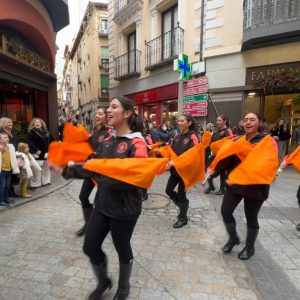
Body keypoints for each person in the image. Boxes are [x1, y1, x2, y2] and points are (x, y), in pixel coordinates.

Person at [62, 96, 147, 300]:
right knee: (90, 246)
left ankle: (124, 287)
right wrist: (69, 170)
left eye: (113, 107)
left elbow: (136, 178)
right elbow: (93, 169)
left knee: (122, 248)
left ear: (126, 113)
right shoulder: (107, 141)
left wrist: (102, 174)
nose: (108, 110)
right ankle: (104, 281)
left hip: (125, 209)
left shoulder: (137, 143)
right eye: (108, 106)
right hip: (102, 205)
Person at [213, 113, 277, 260]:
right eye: (245, 120)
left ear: (259, 123)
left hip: (256, 186)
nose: (248, 122)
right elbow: (227, 159)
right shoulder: (237, 139)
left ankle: (250, 247)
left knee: (251, 217)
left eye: (252, 120)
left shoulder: (268, 141)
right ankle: (233, 238)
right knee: (226, 211)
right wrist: (214, 171)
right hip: (236, 182)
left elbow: (271, 162)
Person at [76, 107, 112, 237]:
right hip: (91, 172)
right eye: (96, 113)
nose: (96, 115)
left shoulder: (110, 132)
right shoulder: (94, 132)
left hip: (103, 173)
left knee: (102, 201)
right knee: (83, 196)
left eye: (100, 114)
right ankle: (89, 224)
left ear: (106, 117)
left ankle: (104, 226)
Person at [165, 114, 199, 228]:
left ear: (189, 123)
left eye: (182, 121)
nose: (179, 123)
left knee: (181, 194)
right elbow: (171, 150)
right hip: (175, 171)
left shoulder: (193, 137)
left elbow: (194, 156)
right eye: (178, 121)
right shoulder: (177, 136)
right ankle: (182, 207)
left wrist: (177, 162)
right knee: (168, 190)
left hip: (186, 173)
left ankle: (183, 217)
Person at [205, 115, 233, 195]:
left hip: (223, 156)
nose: (217, 122)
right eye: (217, 120)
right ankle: (211, 186)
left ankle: (222, 189)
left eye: (219, 121)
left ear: (224, 121)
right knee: (208, 169)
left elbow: (229, 143)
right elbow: (211, 143)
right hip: (214, 155)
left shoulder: (228, 131)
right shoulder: (216, 132)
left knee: (221, 172)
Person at [27, 118, 53, 188]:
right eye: (35, 122)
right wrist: (36, 150)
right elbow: (30, 143)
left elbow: (52, 141)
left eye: (39, 122)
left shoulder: (46, 132)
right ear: (33, 124)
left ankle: (46, 181)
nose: (37, 123)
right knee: (37, 169)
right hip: (37, 153)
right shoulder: (31, 132)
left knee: (46, 168)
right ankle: (35, 183)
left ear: (42, 124)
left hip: (46, 152)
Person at [0, 117, 20, 197]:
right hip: (5, 156)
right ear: (3, 123)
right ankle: (5, 194)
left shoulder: (13, 132)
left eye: (11, 122)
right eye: (8, 122)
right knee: (5, 177)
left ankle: (11, 191)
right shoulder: (1, 132)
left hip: (14, 155)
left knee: (12, 174)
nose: (11, 123)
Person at [0, 132, 19, 206]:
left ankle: (6, 198)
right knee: (2, 185)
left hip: (9, 169)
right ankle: (1, 200)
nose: (7, 139)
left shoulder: (11, 146)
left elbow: (13, 157)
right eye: (4, 137)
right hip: (2, 170)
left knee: (7, 185)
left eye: (7, 137)